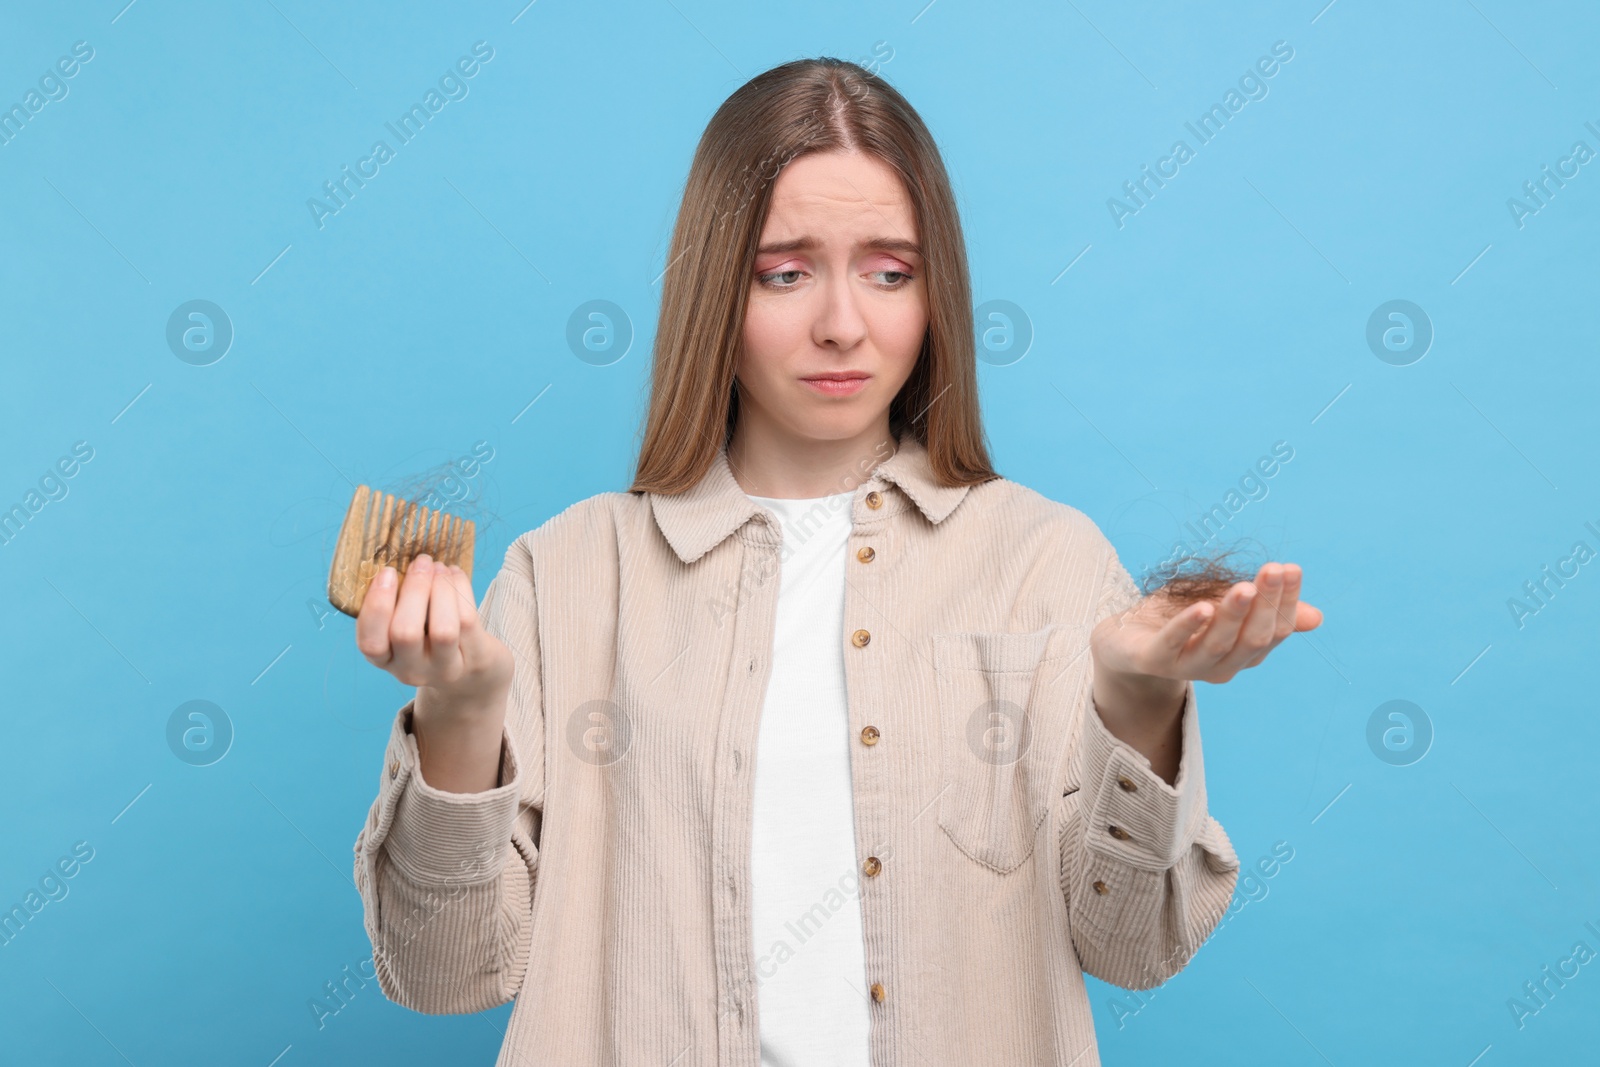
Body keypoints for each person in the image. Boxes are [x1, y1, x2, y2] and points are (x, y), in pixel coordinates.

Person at [350, 56, 1322, 1067]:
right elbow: (444, 973)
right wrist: (458, 724)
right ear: (714, 287)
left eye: (890, 272)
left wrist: (1136, 708)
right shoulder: (563, 574)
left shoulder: (1047, 560)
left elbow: (1136, 949)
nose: (843, 324)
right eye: (785, 271)